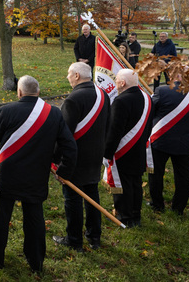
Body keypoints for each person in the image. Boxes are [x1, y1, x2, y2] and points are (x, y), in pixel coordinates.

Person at [0, 76, 77, 273]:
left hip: (8, 173)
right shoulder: (54, 113)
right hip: (36, 173)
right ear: (38, 92)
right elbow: (70, 146)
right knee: (34, 217)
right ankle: (36, 261)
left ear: (19, 92)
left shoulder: (7, 110)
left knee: (2, 216)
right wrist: (63, 171)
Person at [52, 62, 110, 252]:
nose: (67, 77)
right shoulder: (103, 95)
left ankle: (74, 239)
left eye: (69, 74)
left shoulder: (73, 99)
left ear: (77, 76)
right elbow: (107, 126)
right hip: (95, 155)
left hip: (76, 157)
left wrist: (55, 158)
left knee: (73, 199)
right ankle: (94, 237)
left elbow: (64, 134)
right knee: (92, 194)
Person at [148, 73, 189, 215]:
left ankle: (157, 204)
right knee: (183, 176)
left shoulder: (162, 91)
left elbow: (149, 112)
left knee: (156, 174)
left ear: (177, 77)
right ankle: (178, 208)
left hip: (160, 140)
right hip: (184, 142)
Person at [103, 69, 151, 228]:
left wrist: (107, 153)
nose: (116, 82)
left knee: (124, 184)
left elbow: (114, 131)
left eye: (117, 79)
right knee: (136, 183)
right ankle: (136, 215)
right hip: (139, 148)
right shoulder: (147, 98)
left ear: (122, 83)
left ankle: (124, 217)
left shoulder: (120, 101)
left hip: (123, 150)